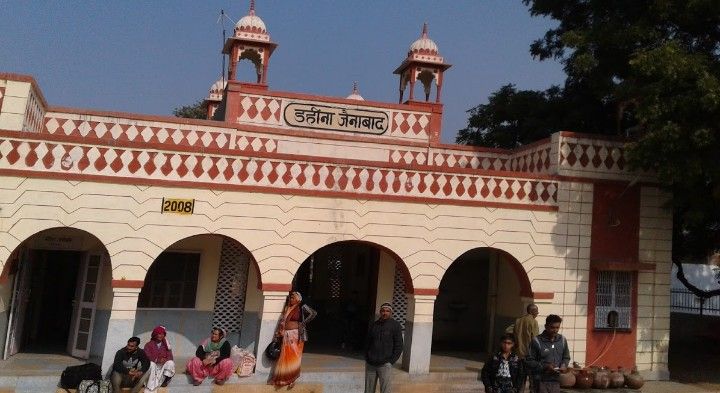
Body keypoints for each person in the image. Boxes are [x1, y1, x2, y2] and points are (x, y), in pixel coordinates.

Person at [269, 291, 317, 387]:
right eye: (290, 298)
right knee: (284, 357)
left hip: (296, 335)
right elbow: (282, 320)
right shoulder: (287, 308)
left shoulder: (301, 307)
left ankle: (292, 379)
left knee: (294, 357)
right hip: (286, 335)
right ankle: (282, 379)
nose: (291, 299)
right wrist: (279, 332)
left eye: (293, 298)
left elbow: (313, 313)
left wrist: (302, 323)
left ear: (298, 299)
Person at [525, 315, 571, 393]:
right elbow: (529, 361)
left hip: (555, 381)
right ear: (546, 326)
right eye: (552, 327)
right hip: (540, 381)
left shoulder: (562, 340)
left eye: (557, 327)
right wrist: (545, 366)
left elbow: (566, 357)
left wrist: (564, 365)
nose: (555, 330)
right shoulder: (536, 341)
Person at [364, 302, 403, 393]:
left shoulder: (395, 325)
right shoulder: (374, 325)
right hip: (371, 364)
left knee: (386, 390)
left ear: (391, 312)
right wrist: (367, 357)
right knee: (368, 390)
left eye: (387, 311)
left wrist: (391, 361)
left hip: (385, 364)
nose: (385, 313)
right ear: (380, 312)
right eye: (383, 311)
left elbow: (399, 345)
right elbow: (367, 342)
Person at [514, 304, 540, 393]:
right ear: (532, 311)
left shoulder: (518, 321)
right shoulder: (533, 321)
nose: (538, 313)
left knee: (520, 381)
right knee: (533, 382)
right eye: (537, 311)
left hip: (519, 355)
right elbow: (535, 340)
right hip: (530, 356)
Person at [142, 325, 175, 392]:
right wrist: (157, 360)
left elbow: (170, 356)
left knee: (170, 363)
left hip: (162, 367)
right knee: (151, 364)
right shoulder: (148, 345)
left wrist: (165, 360)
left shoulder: (166, 345)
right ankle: (149, 383)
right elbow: (146, 356)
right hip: (152, 368)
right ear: (155, 335)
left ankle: (165, 380)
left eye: (163, 334)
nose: (161, 336)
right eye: (159, 334)